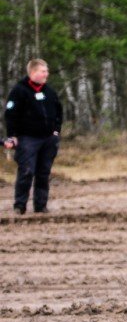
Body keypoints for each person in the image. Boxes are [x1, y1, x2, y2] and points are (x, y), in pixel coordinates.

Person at [4, 59, 63, 215]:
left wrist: (56, 132)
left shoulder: (49, 91)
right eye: (43, 71)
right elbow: (10, 115)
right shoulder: (19, 91)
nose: (46, 74)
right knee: (26, 171)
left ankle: (41, 206)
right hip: (27, 139)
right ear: (33, 72)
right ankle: (20, 206)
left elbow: (58, 112)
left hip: (48, 139)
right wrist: (12, 136)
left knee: (43, 173)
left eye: (47, 71)